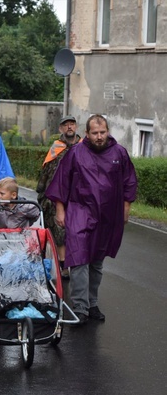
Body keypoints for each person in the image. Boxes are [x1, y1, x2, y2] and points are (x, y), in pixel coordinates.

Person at [46, 114, 137, 325]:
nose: (99, 137)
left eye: (102, 132)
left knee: (96, 261)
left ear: (108, 132)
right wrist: (61, 210)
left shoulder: (119, 153)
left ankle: (92, 303)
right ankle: (80, 307)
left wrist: (125, 208)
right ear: (86, 134)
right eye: (94, 133)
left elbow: (129, 181)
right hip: (79, 211)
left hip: (107, 214)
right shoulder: (76, 153)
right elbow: (61, 181)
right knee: (78, 259)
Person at [36, 115, 82, 279]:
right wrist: (42, 191)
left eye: (72, 124)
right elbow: (47, 170)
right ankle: (63, 265)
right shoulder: (56, 147)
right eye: (66, 125)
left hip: (78, 196)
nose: (69, 127)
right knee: (60, 231)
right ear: (61, 129)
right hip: (57, 196)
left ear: (76, 126)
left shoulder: (85, 146)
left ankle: (77, 262)